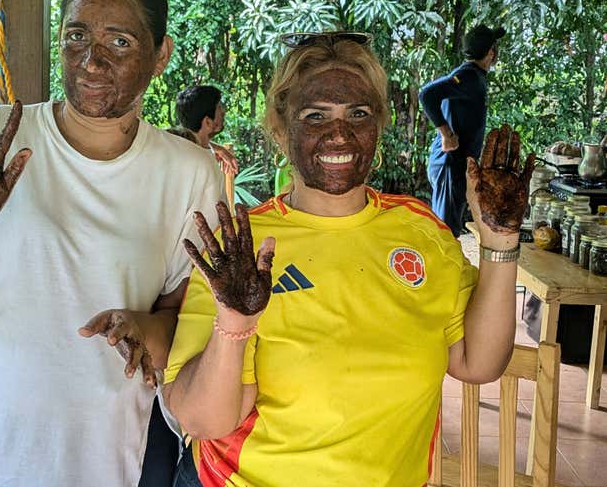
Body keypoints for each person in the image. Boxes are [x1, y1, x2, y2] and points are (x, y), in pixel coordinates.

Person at [0, 0, 223, 486]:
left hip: (95, 464)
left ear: (161, 56)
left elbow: (187, 321)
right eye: (77, 36)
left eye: (120, 41)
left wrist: (145, 330)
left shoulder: (189, 174)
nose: (92, 60)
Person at [162, 31, 534, 487]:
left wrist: (499, 240)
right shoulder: (244, 245)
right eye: (316, 116)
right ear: (281, 128)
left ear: (378, 123)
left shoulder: (420, 232)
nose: (339, 133)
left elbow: (478, 363)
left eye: (357, 114)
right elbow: (203, 421)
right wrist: (234, 322)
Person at [419, 24, 507, 237]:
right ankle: (441, 270)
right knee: (445, 233)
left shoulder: (472, 76)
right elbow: (427, 94)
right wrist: (446, 134)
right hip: (449, 163)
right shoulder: (467, 77)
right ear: (491, 53)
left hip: (457, 165)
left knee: (450, 228)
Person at [176, 85, 239, 175]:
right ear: (208, 122)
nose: (223, 112)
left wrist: (218, 149)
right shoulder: (206, 166)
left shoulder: (178, 153)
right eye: (219, 107)